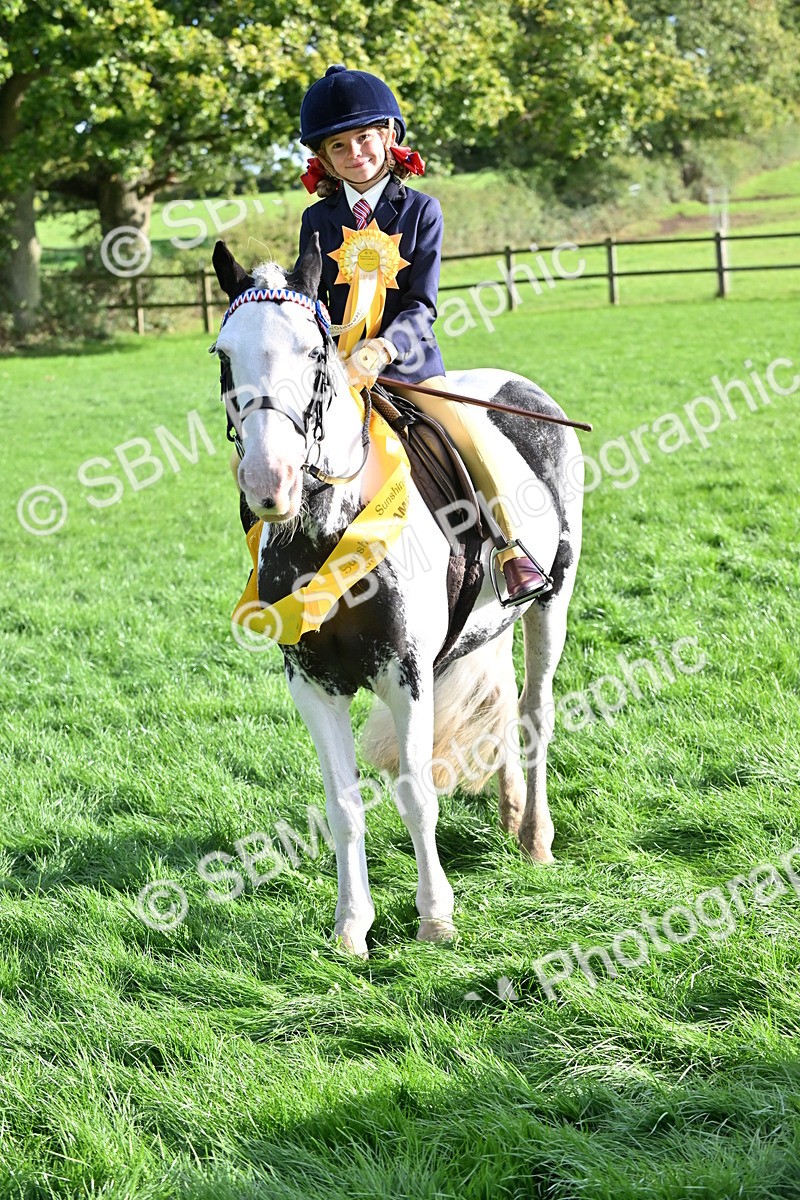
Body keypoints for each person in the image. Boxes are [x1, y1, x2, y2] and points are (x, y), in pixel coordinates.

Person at [297, 64, 551, 605]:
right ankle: (282, 559)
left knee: (463, 431)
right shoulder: (315, 221)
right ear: (323, 159)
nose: (355, 153)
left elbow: (421, 304)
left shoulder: (419, 211)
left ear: (389, 136)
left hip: (405, 366)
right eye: (338, 146)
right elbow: (310, 298)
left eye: (364, 138)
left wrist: (382, 348)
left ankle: (511, 546)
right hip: (335, 373)